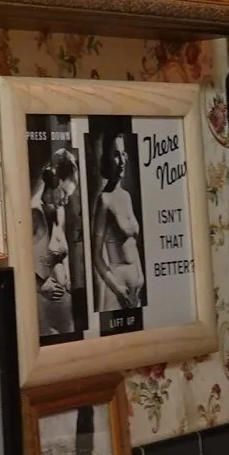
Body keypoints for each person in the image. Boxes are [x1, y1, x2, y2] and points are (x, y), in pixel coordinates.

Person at [93, 130, 146, 319]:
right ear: (107, 160)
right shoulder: (104, 200)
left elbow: (133, 244)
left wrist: (140, 279)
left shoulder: (126, 197)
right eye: (116, 155)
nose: (122, 160)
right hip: (117, 294)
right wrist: (117, 289)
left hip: (135, 294)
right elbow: (96, 256)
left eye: (123, 154)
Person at [31, 146, 82, 340]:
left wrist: (67, 282)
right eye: (64, 193)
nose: (66, 200)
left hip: (65, 306)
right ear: (53, 181)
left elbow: (62, 252)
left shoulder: (59, 211)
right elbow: (17, 262)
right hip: (44, 307)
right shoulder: (34, 212)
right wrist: (40, 285)